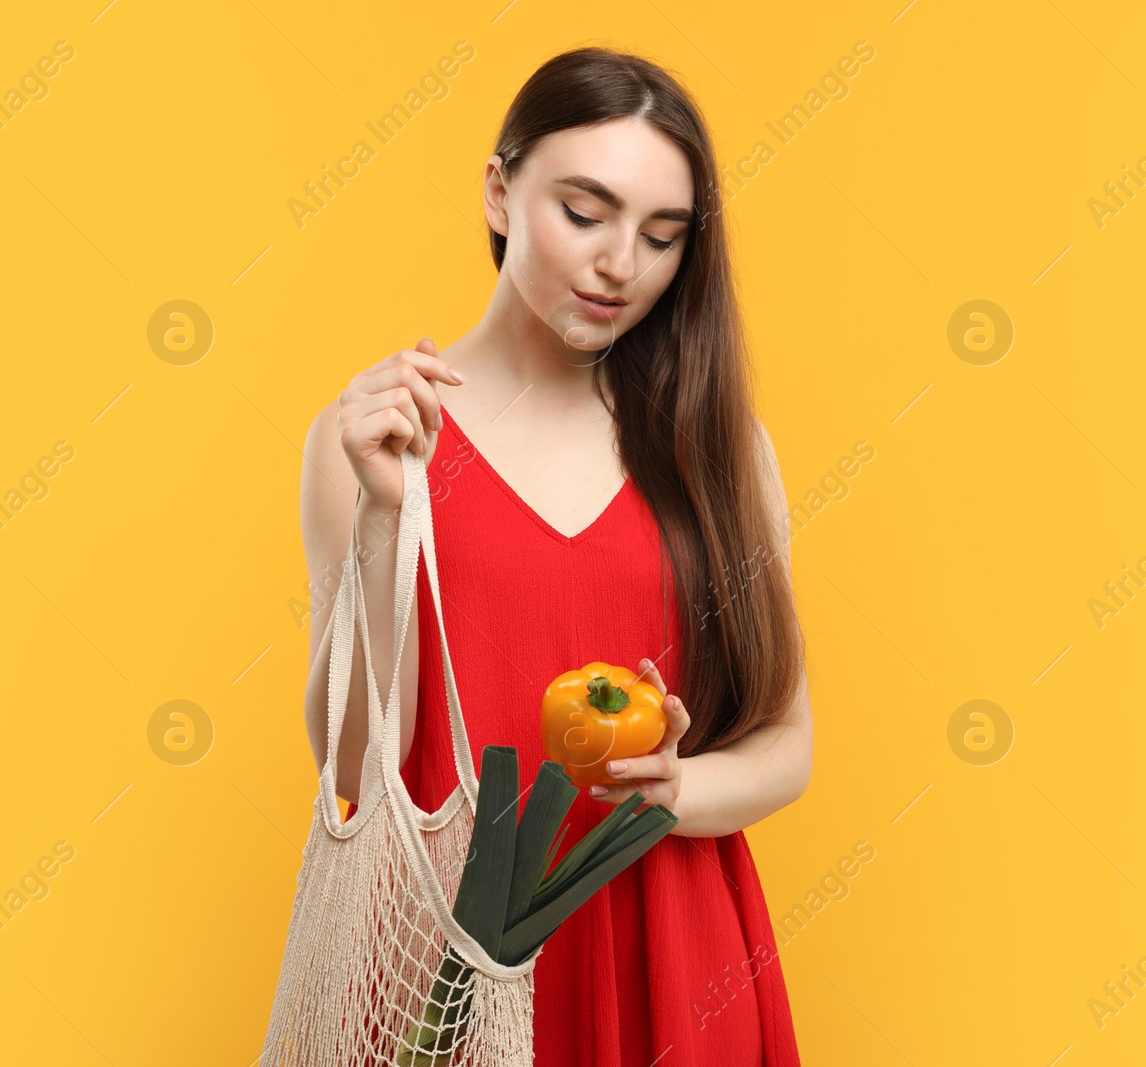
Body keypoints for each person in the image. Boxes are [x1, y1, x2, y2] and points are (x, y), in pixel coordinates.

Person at [297, 46, 811, 1067]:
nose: (622, 263)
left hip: (672, 939)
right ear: (498, 190)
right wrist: (386, 517)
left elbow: (787, 743)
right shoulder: (375, 436)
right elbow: (352, 761)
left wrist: (672, 793)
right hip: (446, 951)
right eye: (584, 213)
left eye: (662, 236)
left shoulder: (718, 445)